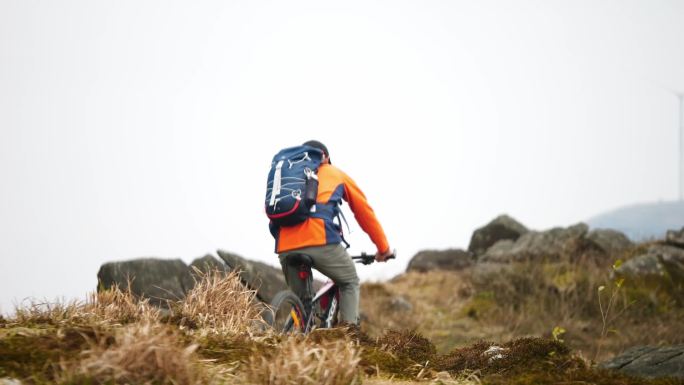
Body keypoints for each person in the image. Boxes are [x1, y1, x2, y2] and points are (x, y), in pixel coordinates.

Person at [268, 140, 393, 325]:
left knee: (303, 306)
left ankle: (298, 338)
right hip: (320, 240)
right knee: (349, 281)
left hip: (285, 246)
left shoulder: (290, 177)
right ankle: (347, 337)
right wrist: (383, 249)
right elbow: (364, 213)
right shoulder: (335, 173)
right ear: (325, 156)